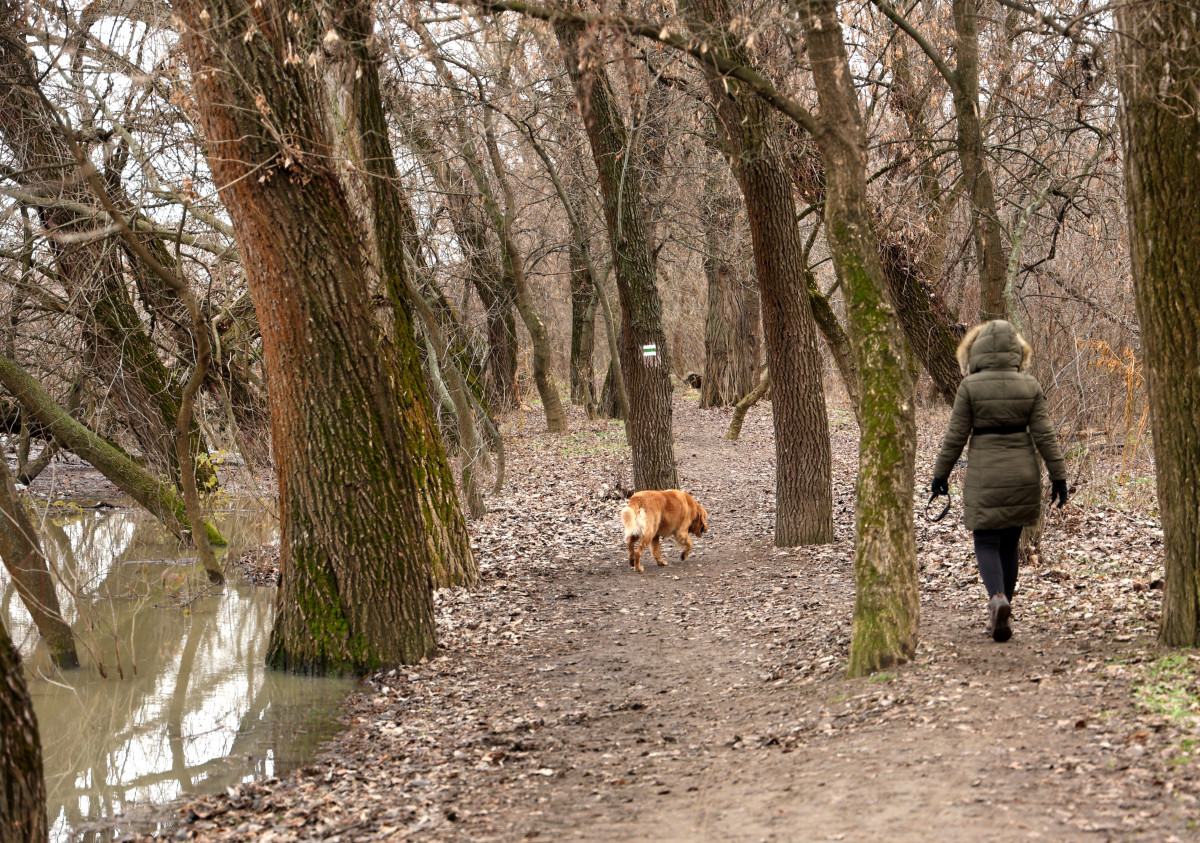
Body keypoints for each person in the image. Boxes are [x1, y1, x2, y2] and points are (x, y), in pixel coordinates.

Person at [931, 320, 1068, 642]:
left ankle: (996, 599)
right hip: (1023, 471)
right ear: (1017, 351)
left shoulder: (970, 387)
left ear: (975, 351)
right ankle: (1006, 605)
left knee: (986, 540)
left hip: (985, 471)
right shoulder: (1029, 385)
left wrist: (941, 475)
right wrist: (1059, 476)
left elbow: (955, 437)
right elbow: (1045, 435)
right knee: (1009, 542)